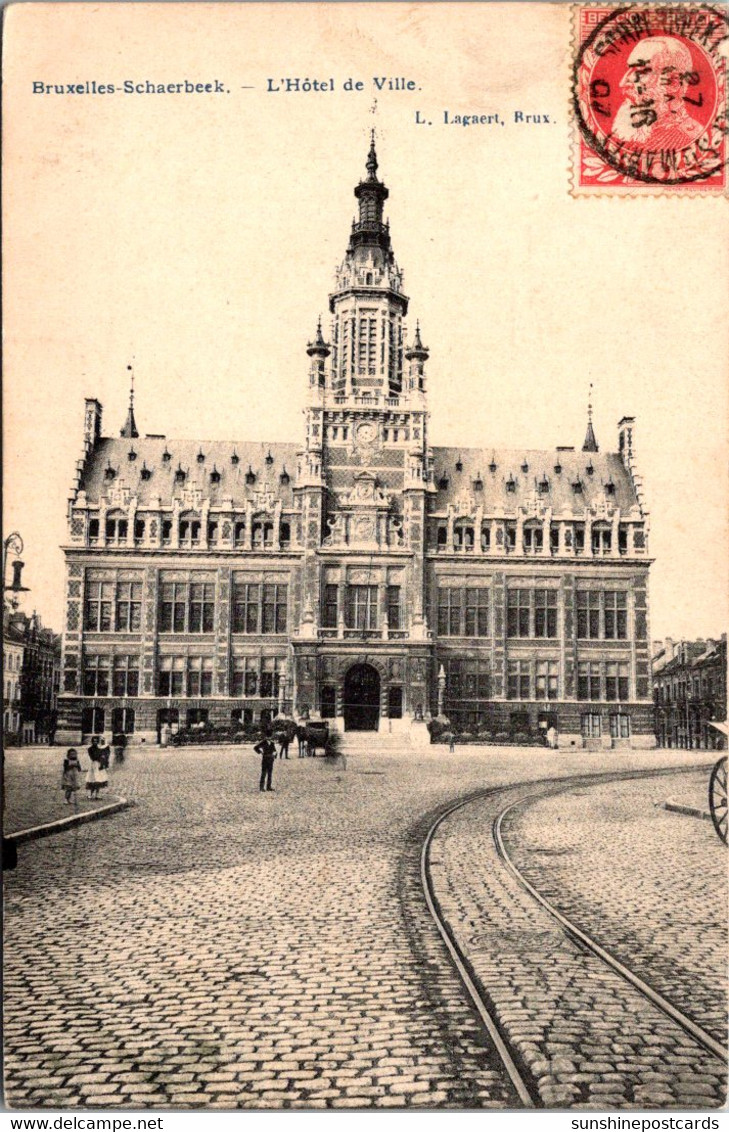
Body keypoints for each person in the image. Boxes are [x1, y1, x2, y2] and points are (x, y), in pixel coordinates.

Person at [613, 38, 704, 152]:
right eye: (630, 70)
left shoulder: (694, 141)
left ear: (673, 82)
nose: (622, 83)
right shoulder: (627, 135)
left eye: (640, 71)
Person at [86, 737, 109, 801]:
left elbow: (104, 755)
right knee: (93, 779)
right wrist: (101, 756)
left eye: (96, 741)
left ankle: (97, 794)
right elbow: (93, 757)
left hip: (99, 765)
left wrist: (103, 759)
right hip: (94, 765)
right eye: (94, 741)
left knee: (99, 780)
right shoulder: (90, 749)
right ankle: (90, 794)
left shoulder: (100, 749)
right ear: (92, 742)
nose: (95, 742)